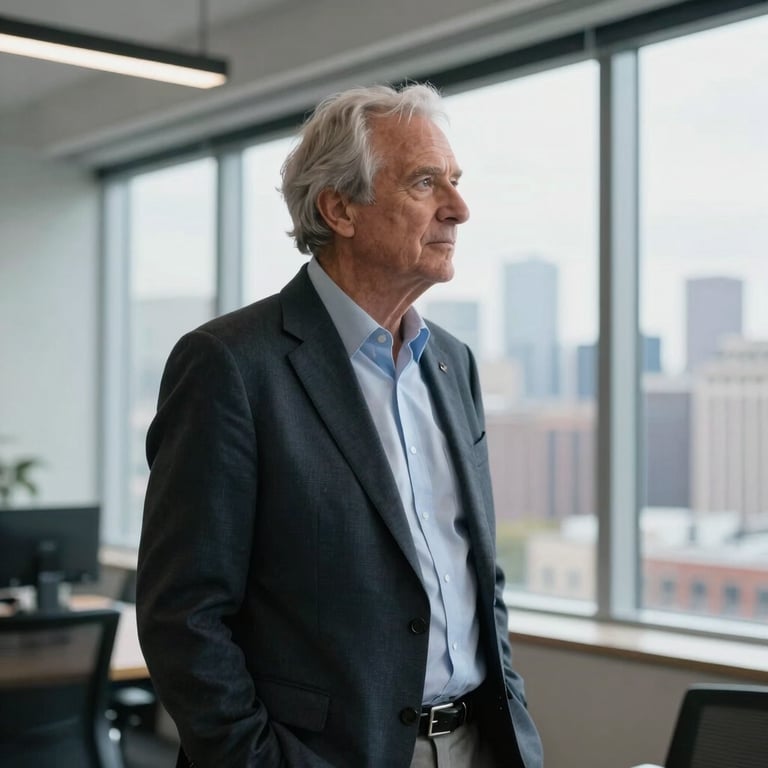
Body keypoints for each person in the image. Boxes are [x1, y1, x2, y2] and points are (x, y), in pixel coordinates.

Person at [136, 82, 543, 768]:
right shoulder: (230, 366)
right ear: (339, 209)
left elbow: (476, 574)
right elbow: (184, 615)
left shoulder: (453, 363)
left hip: (479, 745)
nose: (460, 208)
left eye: (456, 181)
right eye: (424, 183)